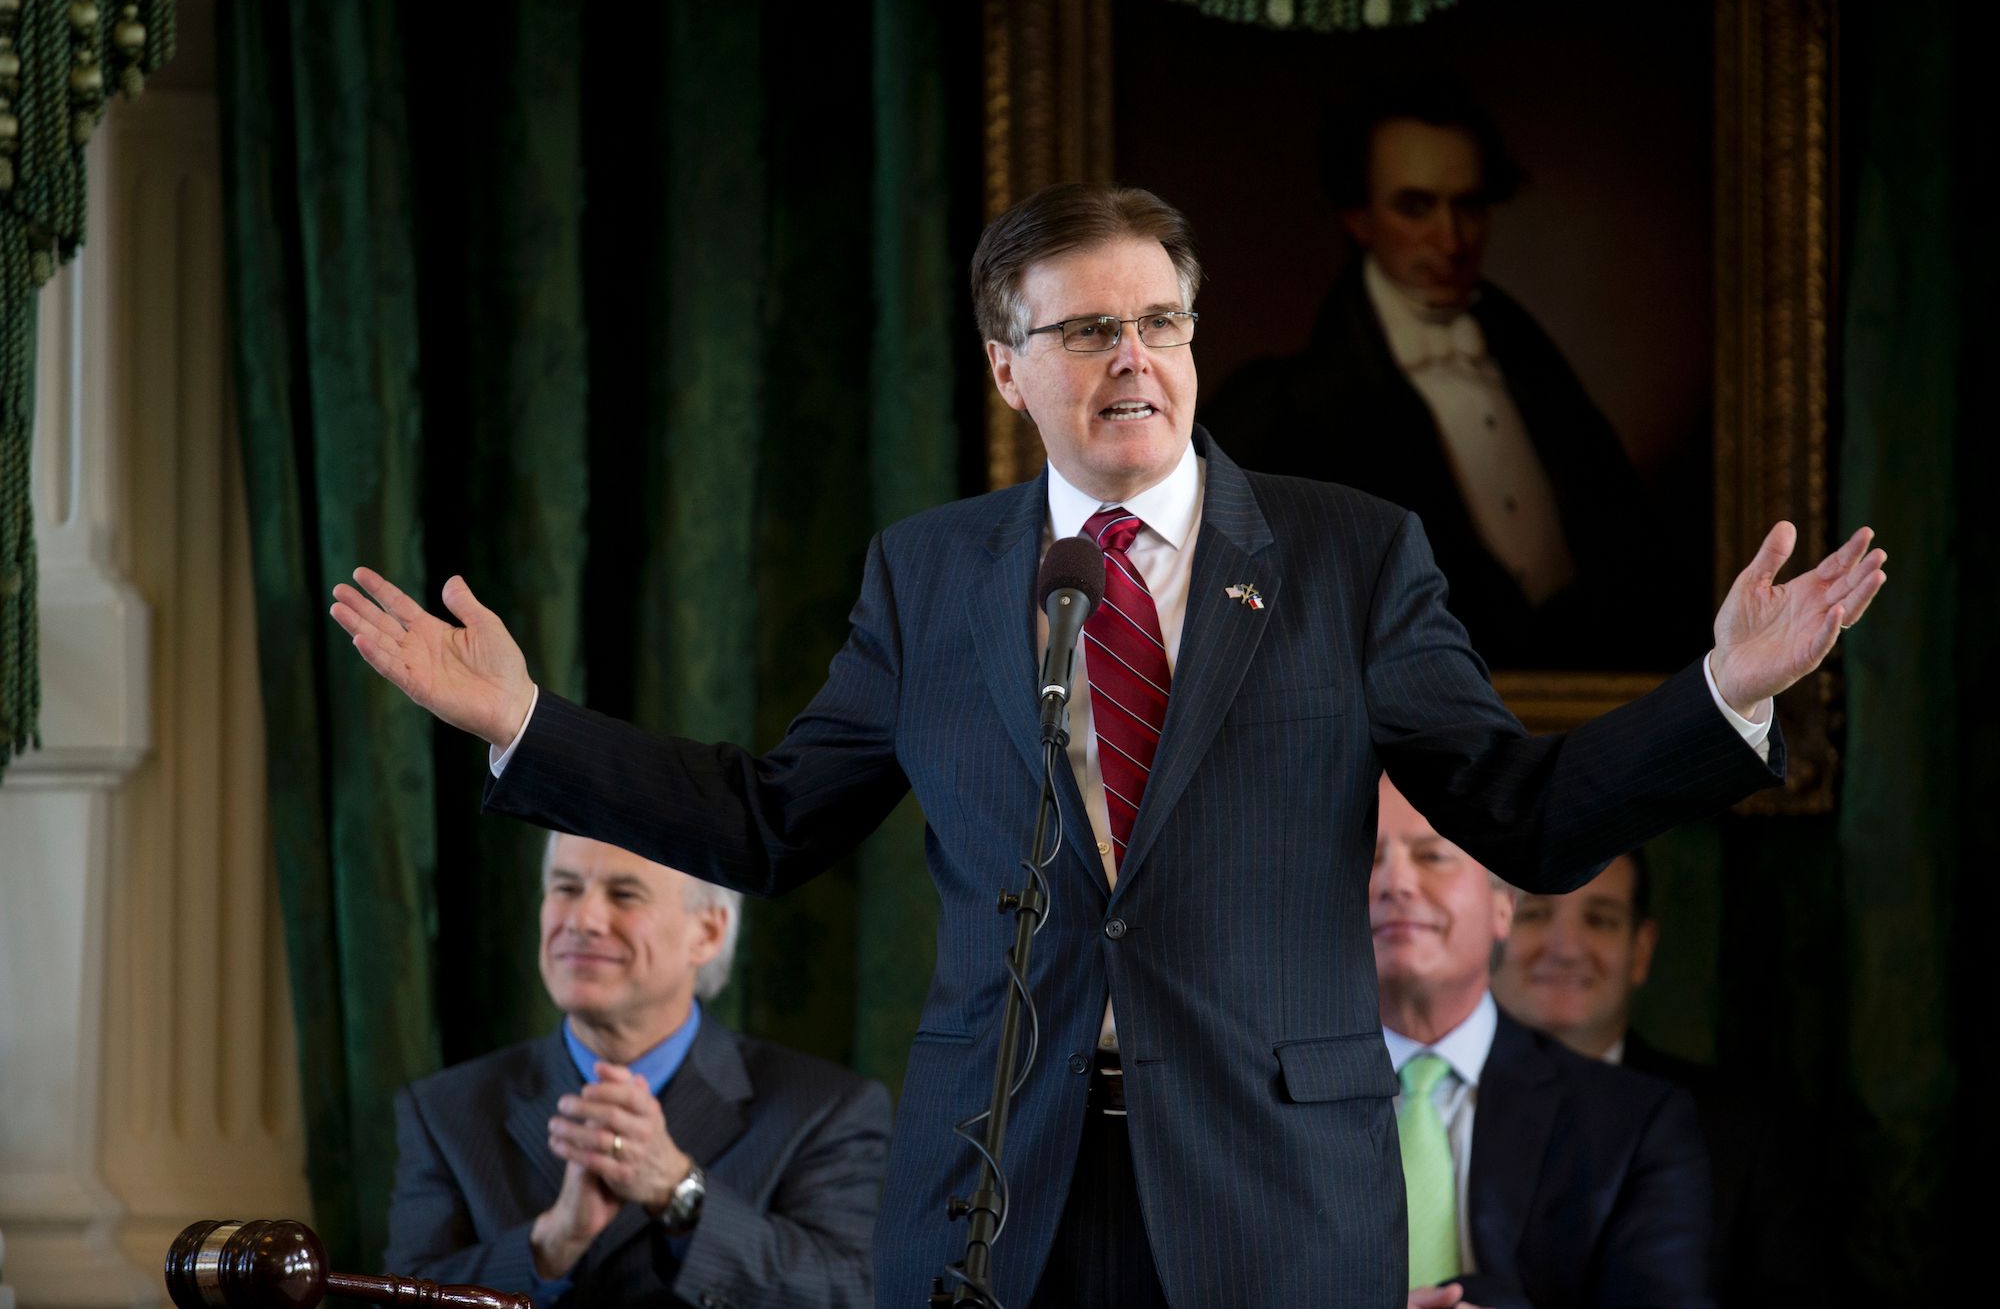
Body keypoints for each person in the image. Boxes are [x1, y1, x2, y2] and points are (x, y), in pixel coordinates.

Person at [330, 181, 1885, 1306]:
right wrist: (522, 723)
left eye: (1160, 321)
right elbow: (768, 819)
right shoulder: (931, 575)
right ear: (1009, 371)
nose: (1134, 357)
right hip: (996, 1184)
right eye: (1086, 330)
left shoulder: (1352, 557)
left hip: (1273, 1191)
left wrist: (1718, 691)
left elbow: (1526, 817)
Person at [1205, 78, 1688, 669]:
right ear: (1359, 217)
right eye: (1415, 207)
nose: (1451, 239)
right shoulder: (1286, 407)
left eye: (1469, 206)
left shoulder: (1541, 373)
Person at [383, 832, 890, 1308]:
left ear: (708, 932)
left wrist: (678, 1192)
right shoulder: (444, 1110)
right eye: (565, 887)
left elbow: (852, 1294)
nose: (582, 919)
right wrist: (552, 1244)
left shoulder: (826, 1110)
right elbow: (401, 1299)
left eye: (624, 894)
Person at [1374, 777, 1712, 1309]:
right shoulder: (1247, 1102)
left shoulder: (1632, 1122)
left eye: (1432, 856)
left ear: (1503, 906)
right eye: (1365, 861)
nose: (1395, 883)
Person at [1493, 849, 1814, 1305]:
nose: (1564, 948)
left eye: (1600, 920)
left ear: (1640, 951)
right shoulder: (1416, 1104)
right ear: (1489, 927)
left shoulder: (1738, 1134)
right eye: (1536, 913)